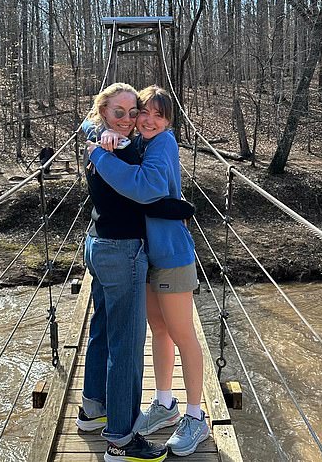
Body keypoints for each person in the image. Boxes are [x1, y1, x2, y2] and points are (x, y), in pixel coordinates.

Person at [87, 85, 210, 457]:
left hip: (170, 253)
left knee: (183, 334)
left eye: (160, 115)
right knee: (159, 330)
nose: (148, 120)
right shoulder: (135, 140)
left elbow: (148, 187)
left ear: (169, 122)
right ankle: (164, 403)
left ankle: (194, 417)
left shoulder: (163, 144)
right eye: (144, 113)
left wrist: (97, 153)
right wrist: (96, 133)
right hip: (146, 253)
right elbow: (88, 122)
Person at [76, 82, 168, 462]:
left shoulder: (106, 138)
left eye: (134, 112)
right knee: (127, 345)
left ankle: (92, 409)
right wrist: (102, 136)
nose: (129, 120)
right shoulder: (112, 149)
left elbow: (84, 125)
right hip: (122, 251)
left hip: (97, 244)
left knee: (101, 330)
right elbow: (147, 191)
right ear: (102, 110)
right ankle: (120, 439)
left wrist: (98, 130)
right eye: (120, 112)